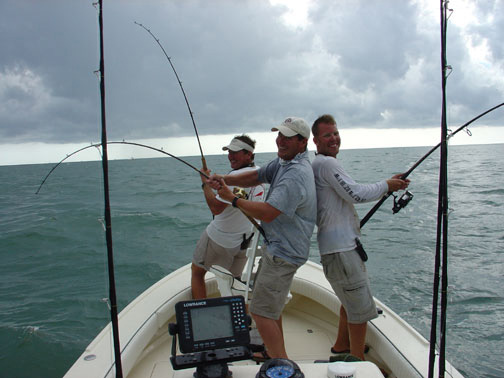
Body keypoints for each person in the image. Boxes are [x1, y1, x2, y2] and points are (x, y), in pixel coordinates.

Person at [207, 117, 317, 359]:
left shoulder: (295, 174)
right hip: (279, 247)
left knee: (260, 312)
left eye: (287, 137)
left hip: (284, 253)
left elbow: (268, 212)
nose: (280, 140)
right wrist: (225, 179)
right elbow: (256, 176)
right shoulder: (284, 163)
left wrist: (233, 198)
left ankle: (282, 365)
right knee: (271, 309)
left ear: (303, 142)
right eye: (279, 135)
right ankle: (274, 354)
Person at [311, 114, 410, 361]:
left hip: (338, 249)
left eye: (335, 133)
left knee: (349, 302)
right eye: (327, 135)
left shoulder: (320, 165)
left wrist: (389, 184)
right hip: (342, 251)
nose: (333, 138)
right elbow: (355, 193)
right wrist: (387, 185)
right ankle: (358, 364)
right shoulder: (327, 164)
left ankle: (341, 347)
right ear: (315, 140)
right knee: (359, 312)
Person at [191, 134, 265, 299]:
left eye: (236, 152)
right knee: (234, 283)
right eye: (229, 151)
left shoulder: (234, 179)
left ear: (249, 154)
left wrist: (205, 183)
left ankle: (201, 315)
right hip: (244, 243)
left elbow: (215, 208)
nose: (231, 156)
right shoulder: (259, 174)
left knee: (197, 272)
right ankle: (238, 320)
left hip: (222, 240)